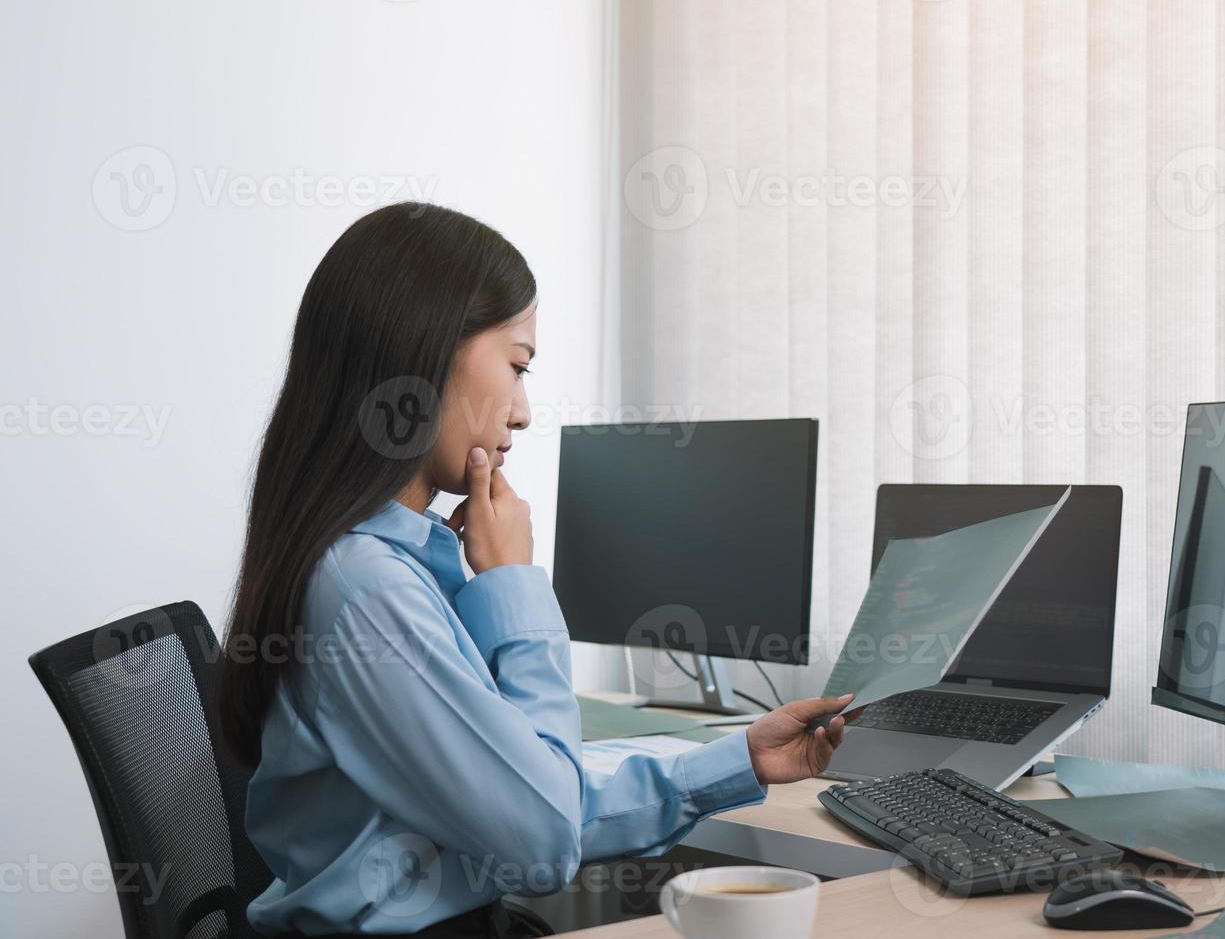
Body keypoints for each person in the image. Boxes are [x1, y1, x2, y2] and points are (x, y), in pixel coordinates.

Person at [215, 202, 853, 938]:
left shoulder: (391, 567)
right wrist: (514, 583)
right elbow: (544, 840)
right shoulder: (366, 591)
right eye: (516, 366)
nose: (521, 412)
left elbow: (539, 794)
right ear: (421, 354)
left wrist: (741, 759)